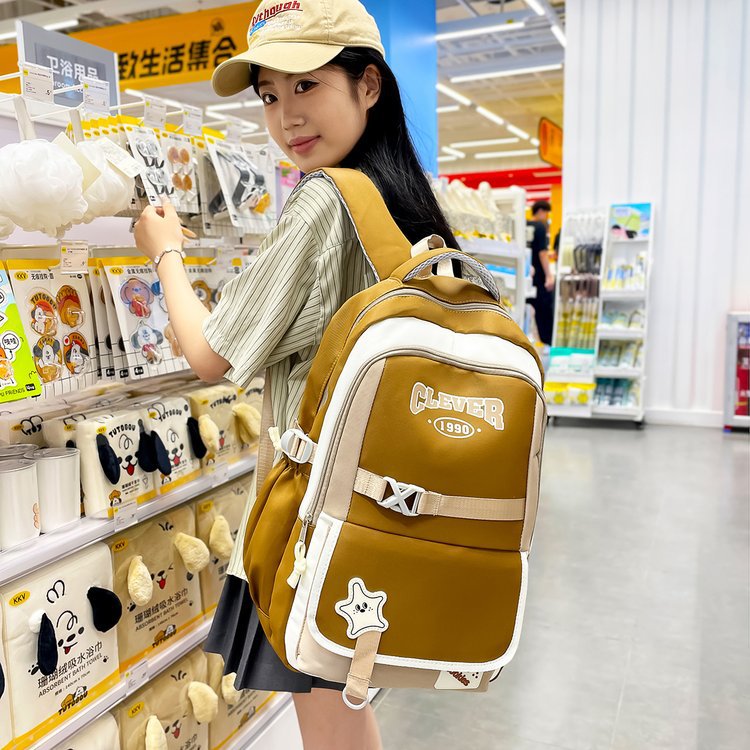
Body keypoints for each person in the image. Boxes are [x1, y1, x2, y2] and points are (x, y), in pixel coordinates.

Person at [133, 2, 458, 748]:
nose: (287, 117)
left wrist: (165, 251)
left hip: (312, 519)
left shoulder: (322, 201)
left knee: (327, 713)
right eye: (270, 95)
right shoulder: (403, 201)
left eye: (306, 85)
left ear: (368, 85)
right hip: (379, 510)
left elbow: (210, 353)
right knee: (343, 701)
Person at [526, 199, 555, 345]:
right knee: (544, 310)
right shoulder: (540, 227)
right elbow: (543, 253)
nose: (547, 217)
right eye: (547, 213)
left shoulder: (523, 225)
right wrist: (549, 275)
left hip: (525, 275)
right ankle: (546, 341)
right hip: (539, 276)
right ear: (541, 212)